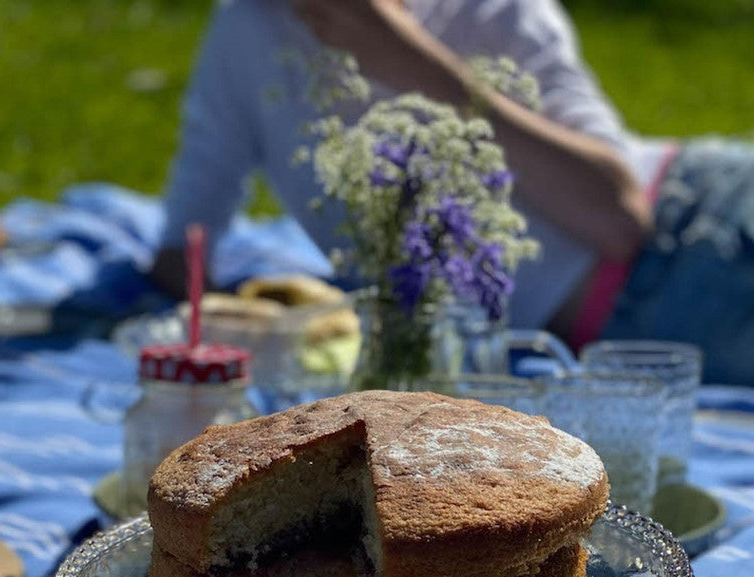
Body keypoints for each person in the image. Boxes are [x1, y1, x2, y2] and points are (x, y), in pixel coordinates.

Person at [150, 0, 754, 386]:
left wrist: (412, 62)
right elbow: (185, 246)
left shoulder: (497, 11)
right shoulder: (248, 29)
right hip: (627, 339)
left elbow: (620, 220)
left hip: (699, 232)